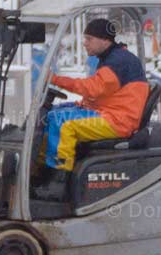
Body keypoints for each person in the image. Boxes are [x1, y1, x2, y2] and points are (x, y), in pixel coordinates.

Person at [42, 19, 151, 172]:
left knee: (64, 125)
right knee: (51, 115)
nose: (85, 43)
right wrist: (82, 104)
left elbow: (93, 88)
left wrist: (55, 79)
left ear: (105, 40)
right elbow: (103, 93)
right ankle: (40, 168)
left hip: (117, 121)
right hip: (109, 113)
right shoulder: (111, 58)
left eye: (89, 39)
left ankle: (58, 176)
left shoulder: (119, 61)